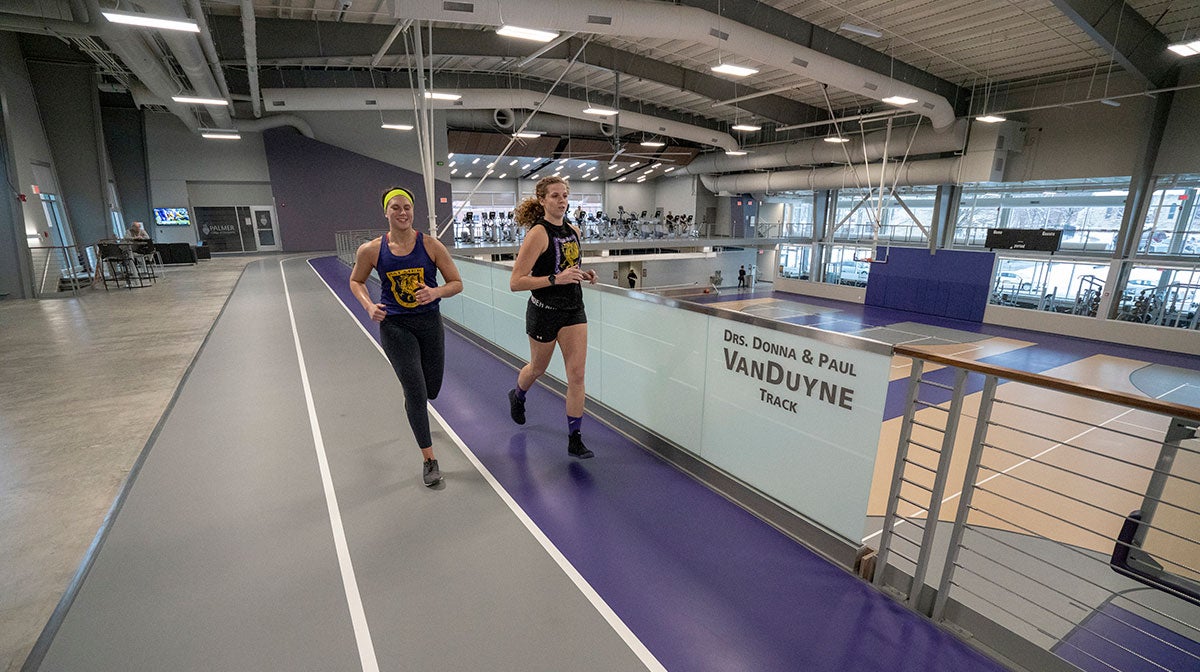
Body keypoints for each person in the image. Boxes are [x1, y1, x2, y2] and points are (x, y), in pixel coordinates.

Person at [350, 186, 463, 487]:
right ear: (386, 212)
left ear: (413, 212)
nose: (402, 213)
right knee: (415, 392)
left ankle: (421, 413)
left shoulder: (431, 246)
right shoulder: (371, 250)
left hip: (429, 323)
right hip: (396, 326)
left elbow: (456, 283)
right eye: (396, 207)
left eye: (407, 208)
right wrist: (368, 305)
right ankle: (429, 459)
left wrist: (436, 291)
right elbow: (356, 280)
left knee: (432, 389)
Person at [507, 176, 598, 459]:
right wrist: (554, 279)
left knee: (577, 375)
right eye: (555, 196)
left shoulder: (574, 231)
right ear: (543, 200)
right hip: (544, 313)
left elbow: (568, 267)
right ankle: (518, 394)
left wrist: (583, 274)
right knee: (537, 368)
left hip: (573, 310)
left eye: (565, 195)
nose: (562, 201)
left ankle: (575, 438)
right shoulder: (538, 233)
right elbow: (516, 282)